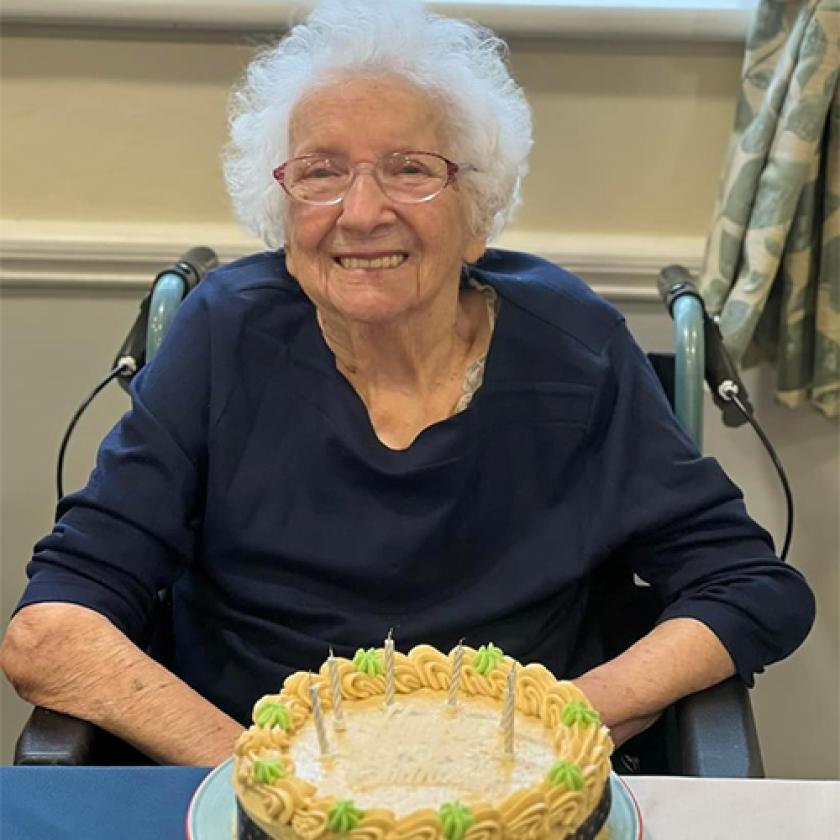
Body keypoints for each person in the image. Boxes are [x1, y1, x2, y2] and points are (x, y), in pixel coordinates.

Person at [0, 0, 815, 767]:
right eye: (321, 172)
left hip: (513, 786)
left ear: (480, 211)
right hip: (251, 771)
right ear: (282, 210)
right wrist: (269, 777)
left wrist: (550, 728)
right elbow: (50, 632)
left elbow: (745, 586)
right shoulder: (221, 336)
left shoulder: (575, 350)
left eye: (410, 170)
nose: (361, 213)